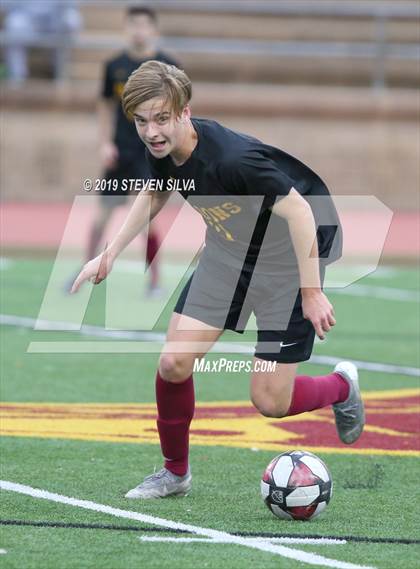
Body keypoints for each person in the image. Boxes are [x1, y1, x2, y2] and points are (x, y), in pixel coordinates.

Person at [71, 61, 365, 500]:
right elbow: (154, 193)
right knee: (173, 364)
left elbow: (301, 211)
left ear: (185, 112)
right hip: (229, 253)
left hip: (288, 261)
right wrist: (109, 254)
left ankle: (342, 387)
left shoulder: (233, 159)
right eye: (141, 121)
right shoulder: (166, 152)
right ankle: (175, 473)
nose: (152, 131)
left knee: (270, 401)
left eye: (162, 118)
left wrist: (311, 291)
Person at [82, 5, 179, 295]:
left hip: (150, 154)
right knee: (101, 217)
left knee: (147, 218)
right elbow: (104, 104)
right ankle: (88, 267)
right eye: (133, 24)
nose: (139, 30)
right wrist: (104, 143)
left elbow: (180, 110)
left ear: (154, 30)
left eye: (144, 25)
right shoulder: (114, 66)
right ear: (126, 28)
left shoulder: (168, 66)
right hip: (120, 152)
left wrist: (170, 146)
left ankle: (154, 280)